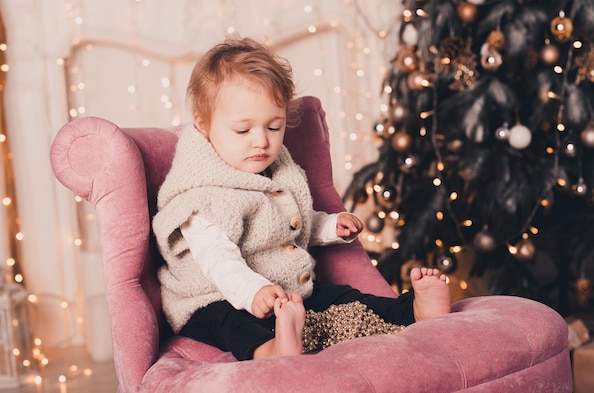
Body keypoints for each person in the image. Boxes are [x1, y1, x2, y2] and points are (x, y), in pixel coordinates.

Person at [152, 36, 451, 361]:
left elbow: (292, 219)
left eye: (274, 127)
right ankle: (271, 349)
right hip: (211, 296)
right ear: (203, 125)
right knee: (231, 322)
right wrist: (254, 293)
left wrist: (331, 226)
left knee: (344, 298)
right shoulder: (200, 198)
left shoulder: (275, 170)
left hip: (283, 288)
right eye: (243, 131)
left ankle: (412, 311)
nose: (261, 142)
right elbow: (218, 262)